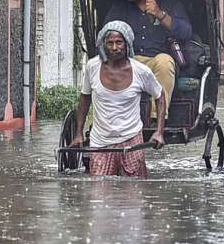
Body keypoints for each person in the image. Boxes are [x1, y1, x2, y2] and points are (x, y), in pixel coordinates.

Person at [70, 21, 166, 178]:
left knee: (134, 193)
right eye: (110, 43)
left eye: (119, 42)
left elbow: (160, 95)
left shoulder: (141, 71)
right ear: (104, 45)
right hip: (100, 141)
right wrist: (79, 133)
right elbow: (85, 98)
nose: (114, 48)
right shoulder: (92, 67)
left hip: (131, 140)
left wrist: (159, 132)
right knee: (99, 195)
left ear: (127, 43)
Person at [104, 0, 193, 116]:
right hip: (130, 60)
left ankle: (156, 119)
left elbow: (186, 32)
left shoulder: (168, 3)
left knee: (164, 61)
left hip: (158, 60)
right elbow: (105, 34)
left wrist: (160, 14)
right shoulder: (120, 8)